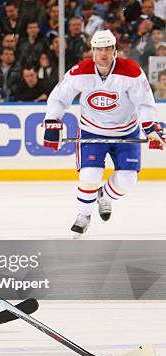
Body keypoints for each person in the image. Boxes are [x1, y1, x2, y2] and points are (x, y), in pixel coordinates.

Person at [43, 30, 164, 238]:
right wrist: (52, 122)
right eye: (99, 49)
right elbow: (59, 98)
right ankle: (83, 215)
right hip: (92, 130)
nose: (104, 53)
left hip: (126, 131)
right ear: (92, 51)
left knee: (127, 181)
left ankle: (104, 195)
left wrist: (151, 129)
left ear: (115, 50)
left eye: (108, 48)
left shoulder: (131, 72)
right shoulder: (80, 71)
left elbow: (144, 102)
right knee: (89, 176)